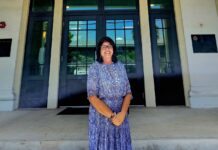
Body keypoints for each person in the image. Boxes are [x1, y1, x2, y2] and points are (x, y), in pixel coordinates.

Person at [87, 36, 133, 150]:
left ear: (113, 49)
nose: (107, 48)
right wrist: (112, 116)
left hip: (121, 117)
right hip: (101, 119)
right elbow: (92, 96)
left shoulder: (121, 67)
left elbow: (128, 92)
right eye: (104, 46)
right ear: (99, 50)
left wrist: (122, 113)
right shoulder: (94, 68)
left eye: (110, 46)